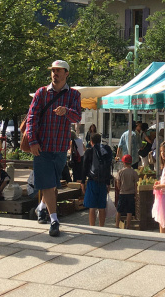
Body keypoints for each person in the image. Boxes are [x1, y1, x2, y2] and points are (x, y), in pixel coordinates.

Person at [24, 59, 82, 237]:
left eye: (59, 71)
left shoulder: (73, 95)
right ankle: (54, 220)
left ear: (66, 74)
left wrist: (67, 111)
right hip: (42, 147)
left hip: (61, 147)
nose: (55, 73)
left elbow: (77, 118)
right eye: (53, 71)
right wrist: (33, 141)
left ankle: (41, 207)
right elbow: (31, 118)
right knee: (48, 185)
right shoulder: (41, 93)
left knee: (54, 184)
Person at [82, 132, 113, 226]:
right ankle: (102, 227)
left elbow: (84, 167)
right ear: (100, 140)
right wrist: (108, 182)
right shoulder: (106, 150)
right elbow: (108, 167)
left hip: (92, 181)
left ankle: (92, 226)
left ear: (91, 142)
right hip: (103, 182)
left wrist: (83, 182)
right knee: (102, 207)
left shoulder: (89, 152)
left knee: (92, 208)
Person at [116, 154, 138, 229]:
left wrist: (120, 189)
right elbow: (136, 185)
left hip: (122, 193)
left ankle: (116, 225)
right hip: (131, 194)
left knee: (119, 210)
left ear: (123, 163)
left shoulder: (120, 172)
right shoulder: (134, 172)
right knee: (129, 211)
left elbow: (118, 183)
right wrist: (135, 193)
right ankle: (128, 226)